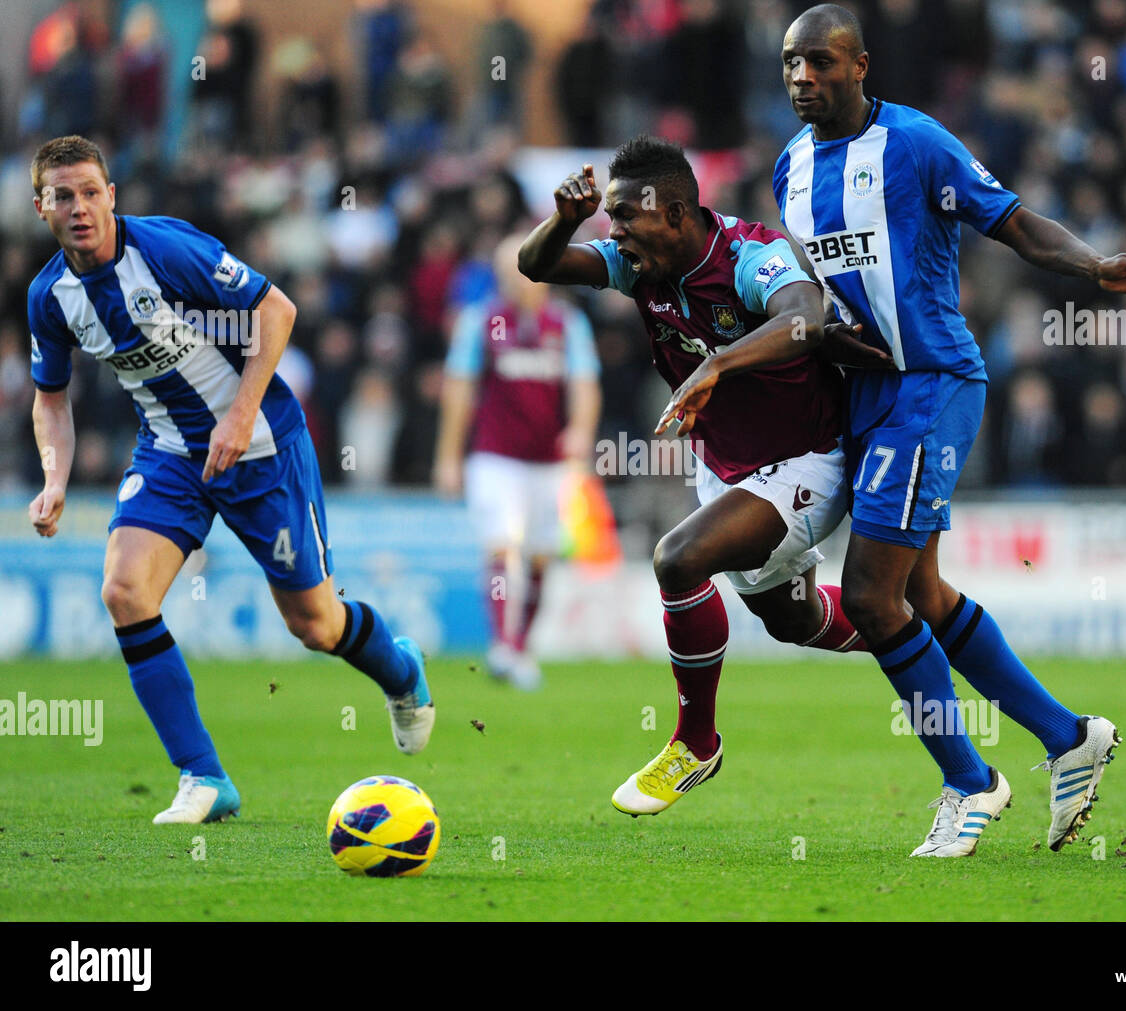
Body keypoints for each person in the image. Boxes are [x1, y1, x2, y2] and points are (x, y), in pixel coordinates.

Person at [766, 5, 1126, 855]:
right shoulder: (790, 168)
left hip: (933, 384)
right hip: (867, 396)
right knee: (922, 595)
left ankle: (969, 780)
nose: (803, 77)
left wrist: (1097, 264)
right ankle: (1070, 737)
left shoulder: (917, 144)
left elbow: (1015, 222)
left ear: (861, 65)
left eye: (820, 63)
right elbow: (816, 297)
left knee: (874, 598)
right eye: (790, 65)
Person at [26, 135, 435, 825]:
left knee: (315, 624)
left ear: (112, 195)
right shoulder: (49, 297)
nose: (80, 208)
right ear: (41, 207)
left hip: (262, 446)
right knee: (124, 590)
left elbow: (276, 309)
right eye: (63, 196)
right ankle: (204, 776)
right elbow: (51, 398)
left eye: (91, 191)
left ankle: (401, 671)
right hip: (169, 454)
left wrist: (240, 415)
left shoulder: (165, 250)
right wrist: (55, 478)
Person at [517, 135, 892, 817]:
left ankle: (696, 743)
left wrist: (716, 364)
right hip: (724, 466)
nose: (616, 231)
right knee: (795, 620)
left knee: (678, 559)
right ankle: (914, 630)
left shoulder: (750, 256)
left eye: (626, 216)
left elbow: (805, 317)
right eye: (609, 217)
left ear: (679, 214)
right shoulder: (638, 268)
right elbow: (535, 263)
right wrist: (566, 220)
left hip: (809, 460)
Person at [436, 234, 602, 690]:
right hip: (495, 458)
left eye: (524, 269)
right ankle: (503, 644)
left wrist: (581, 431)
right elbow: (460, 388)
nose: (517, 280)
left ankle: (521, 646)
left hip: (550, 460)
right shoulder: (481, 321)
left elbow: (585, 384)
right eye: (508, 272)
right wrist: (448, 457)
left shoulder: (566, 323)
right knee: (502, 545)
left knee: (542, 556)